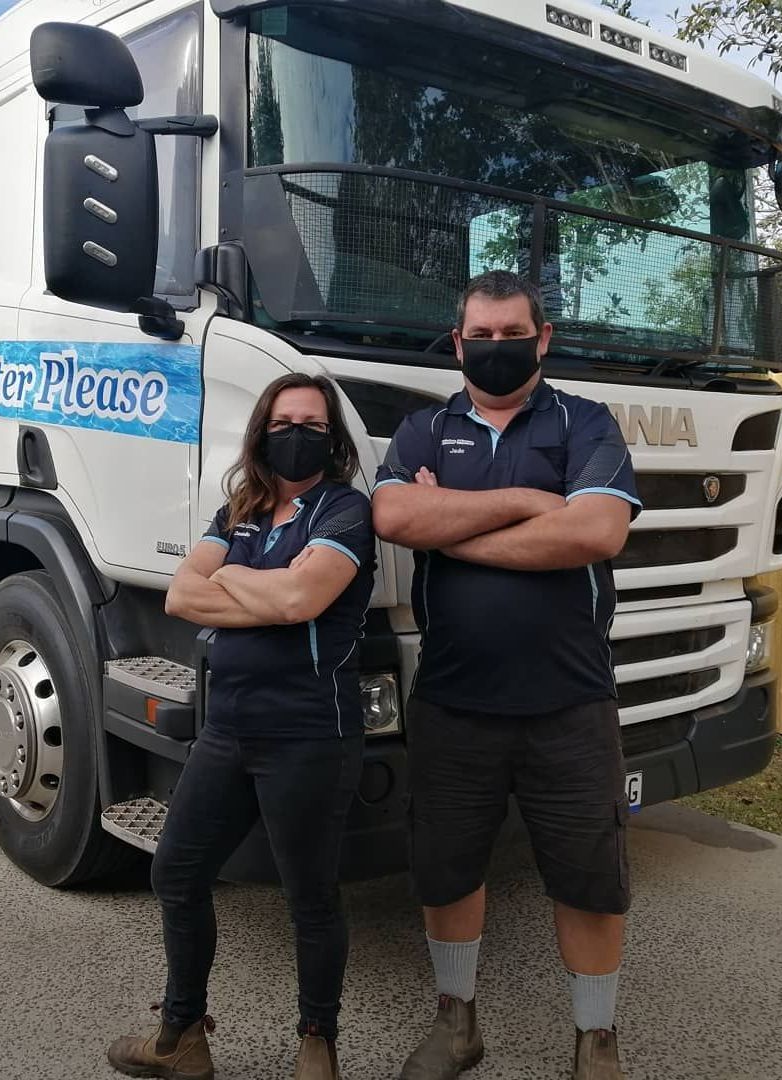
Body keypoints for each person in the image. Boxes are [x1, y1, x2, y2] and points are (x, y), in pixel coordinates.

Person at [372, 270, 642, 1080]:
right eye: (481, 336)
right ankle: (457, 1026)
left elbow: (594, 533)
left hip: (571, 701)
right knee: (447, 868)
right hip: (453, 700)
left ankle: (596, 1043)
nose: (497, 348)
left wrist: (449, 526)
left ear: (542, 338)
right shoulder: (424, 428)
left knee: (590, 878)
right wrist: (532, 498)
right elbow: (394, 515)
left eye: (513, 334)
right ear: (458, 344)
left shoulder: (586, 422)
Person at [107, 373, 375, 1080]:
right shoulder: (240, 510)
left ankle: (318, 1043)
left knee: (310, 896)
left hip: (309, 733)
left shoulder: (346, 510)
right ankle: (182, 1035)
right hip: (227, 728)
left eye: (312, 425)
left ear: (333, 439)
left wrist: (231, 579)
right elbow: (180, 596)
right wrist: (266, 590)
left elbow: (299, 601)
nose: (297, 435)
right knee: (177, 872)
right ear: (261, 432)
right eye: (283, 423)